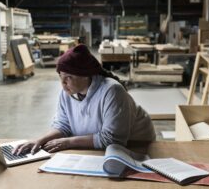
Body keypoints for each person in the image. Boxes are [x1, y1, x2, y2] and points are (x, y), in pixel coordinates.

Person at [13, 44, 155, 155]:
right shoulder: (67, 93)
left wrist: (68, 142)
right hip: (103, 147)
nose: (63, 84)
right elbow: (63, 125)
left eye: (68, 77)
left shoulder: (112, 91)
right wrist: (39, 141)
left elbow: (112, 139)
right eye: (60, 77)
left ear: (85, 75)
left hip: (137, 144)